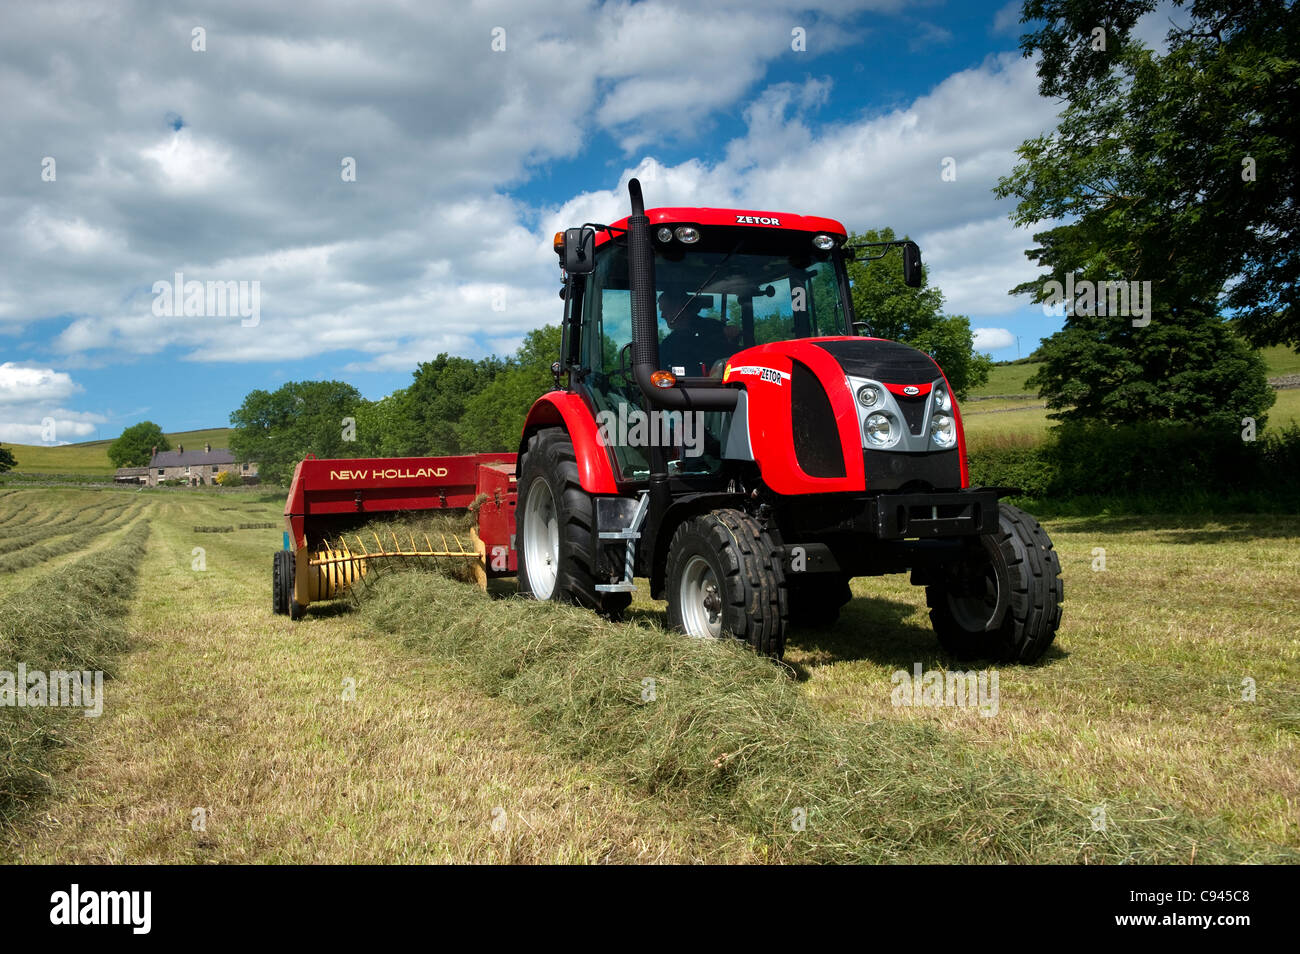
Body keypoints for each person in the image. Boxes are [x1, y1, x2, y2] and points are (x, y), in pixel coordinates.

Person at [657, 289, 739, 376]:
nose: (662, 315)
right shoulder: (668, 344)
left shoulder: (715, 329)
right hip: (679, 388)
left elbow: (733, 358)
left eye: (665, 310)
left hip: (723, 386)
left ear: (680, 307)